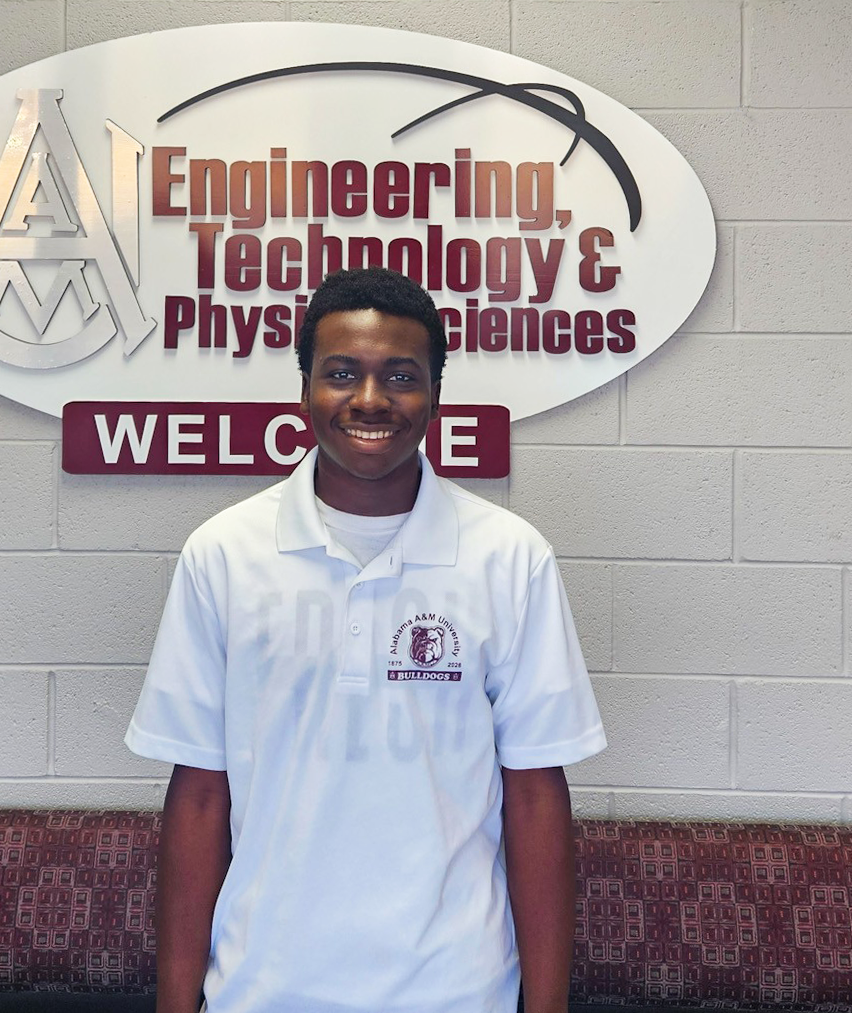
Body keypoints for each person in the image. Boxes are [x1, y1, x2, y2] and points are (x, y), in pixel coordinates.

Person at [126, 267, 606, 1013]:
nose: (371, 399)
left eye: (401, 375)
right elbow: (198, 798)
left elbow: (536, 797)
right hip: (264, 988)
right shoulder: (223, 554)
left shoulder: (510, 558)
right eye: (342, 373)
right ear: (304, 390)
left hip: (456, 989)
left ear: (437, 395)